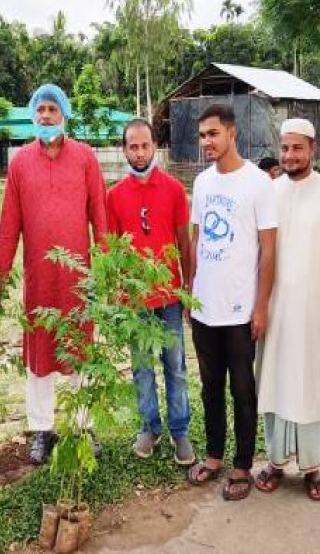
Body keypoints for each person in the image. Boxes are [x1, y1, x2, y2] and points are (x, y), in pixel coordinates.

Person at [0, 84, 107, 465]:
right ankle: (42, 430)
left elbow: (101, 217)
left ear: (64, 114)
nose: (45, 116)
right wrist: (1, 276)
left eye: (52, 109)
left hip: (79, 280)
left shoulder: (86, 158)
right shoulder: (19, 163)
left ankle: (82, 426)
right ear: (32, 114)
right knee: (39, 355)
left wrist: (104, 270)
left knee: (80, 349)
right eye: (40, 110)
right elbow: (9, 224)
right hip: (39, 280)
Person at [255, 118, 320, 501]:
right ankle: (275, 462)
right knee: (274, 383)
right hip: (275, 313)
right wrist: (256, 309)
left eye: (297, 148)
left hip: (316, 315)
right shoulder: (269, 194)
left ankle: (313, 468)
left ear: (313, 149)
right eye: (284, 148)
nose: (290, 155)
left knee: (311, 387)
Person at [186, 104, 277, 501]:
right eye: (202, 135)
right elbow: (195, 239)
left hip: (241, 310)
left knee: (242, 388)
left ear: (232, 133)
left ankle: (242, 465)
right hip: (205, 307)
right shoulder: (203, 183)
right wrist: (190, 293)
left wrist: (261, 307)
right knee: (209, 388)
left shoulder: (258, 183)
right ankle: (213, 455)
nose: (207, 141)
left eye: (213, 134)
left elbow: (269, 252)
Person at [106, 118, 194, 466]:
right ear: (124, 149)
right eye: (133, 146)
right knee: (142, 368)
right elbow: (111, 251)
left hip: (169, 297)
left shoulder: (173, 189)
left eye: (145, 145)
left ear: (154, 145)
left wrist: (187, 288)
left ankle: (180, 430)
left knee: (175, 367)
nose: (139, 153)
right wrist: (115, 292)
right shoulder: (114, 195)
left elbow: (184, 243)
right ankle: (149, 426)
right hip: (135, 301)